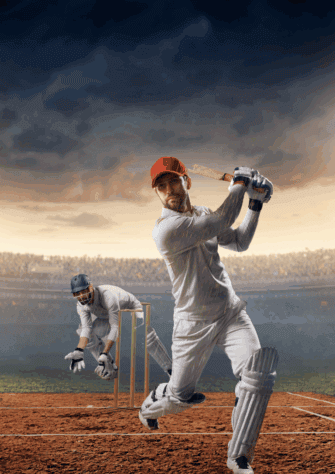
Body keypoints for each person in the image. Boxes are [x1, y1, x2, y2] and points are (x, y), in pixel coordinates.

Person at [138, 156, 279, 474]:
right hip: (192, 324)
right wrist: (241, 186)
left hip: (229, 314)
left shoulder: (204, 214)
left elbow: (240, 241)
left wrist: (255, 204)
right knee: (179, 396)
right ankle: (154, 402)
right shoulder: (166, 230)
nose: (168, 190)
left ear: (186, 181)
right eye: (161, 186)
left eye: (173, 181)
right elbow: (219, 222)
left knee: (257, 378)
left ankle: (239, 456)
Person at [64, 274, 172, 380]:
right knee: (82, 329)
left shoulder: (107, 296)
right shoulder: (81, 306)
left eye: (83, 291)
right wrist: (79, 350)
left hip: (131, 310)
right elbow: (86, 328)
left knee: (147, 337)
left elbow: (115, 327)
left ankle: (170, 370)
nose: (81, 296)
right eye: (77, 293)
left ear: (91, 287)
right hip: (107, 316)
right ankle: (109, 367)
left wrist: (105, 352)